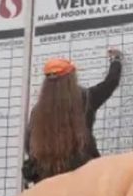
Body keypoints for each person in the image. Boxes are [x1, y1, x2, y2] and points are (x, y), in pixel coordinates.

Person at [22, 48, 123, 185]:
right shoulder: (86, 99)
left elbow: (29, 146)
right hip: (82, 178)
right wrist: (116, 60)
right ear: (71, 79)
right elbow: (110, 83)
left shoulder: (37, 112)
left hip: (46, 181)